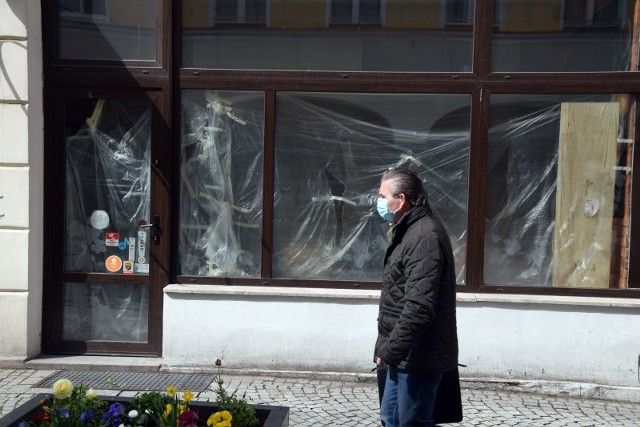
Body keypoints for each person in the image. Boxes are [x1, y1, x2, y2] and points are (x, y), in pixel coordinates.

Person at [374, 168, 459, 427]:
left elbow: (419, 307)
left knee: (411, 422)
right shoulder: (408, 229)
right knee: (391, 418)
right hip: (402, 354)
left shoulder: (424, 236)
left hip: (419, 356)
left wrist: (390, 350)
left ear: (401, 199)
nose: (378, 203)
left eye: (382, 196)